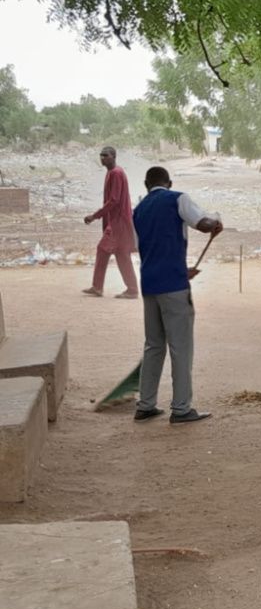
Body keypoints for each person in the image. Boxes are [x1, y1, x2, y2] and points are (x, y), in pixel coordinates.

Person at [132, 166, 222, 425]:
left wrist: (180, 269)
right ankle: (181, 408)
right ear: (168, 182)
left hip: (150, 285)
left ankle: (146, 404)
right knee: (181, 348)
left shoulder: (138, 211)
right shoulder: (177, 199)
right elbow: (202, 224)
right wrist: (215, 223)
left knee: (154, 345)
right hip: (174, 286)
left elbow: (146, 249)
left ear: (146, 184)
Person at [82, 146, 139, 299]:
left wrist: (94, 216)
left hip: (118, 222)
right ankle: (131, 289)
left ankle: (99, 287)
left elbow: (114, 200)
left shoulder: (116, 173)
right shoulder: (112, 173)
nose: (102, 158)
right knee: (121, 254)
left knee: (104, 249)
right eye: (101, 156)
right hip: (117, 221)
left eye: (105, 155)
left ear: (113, 156)